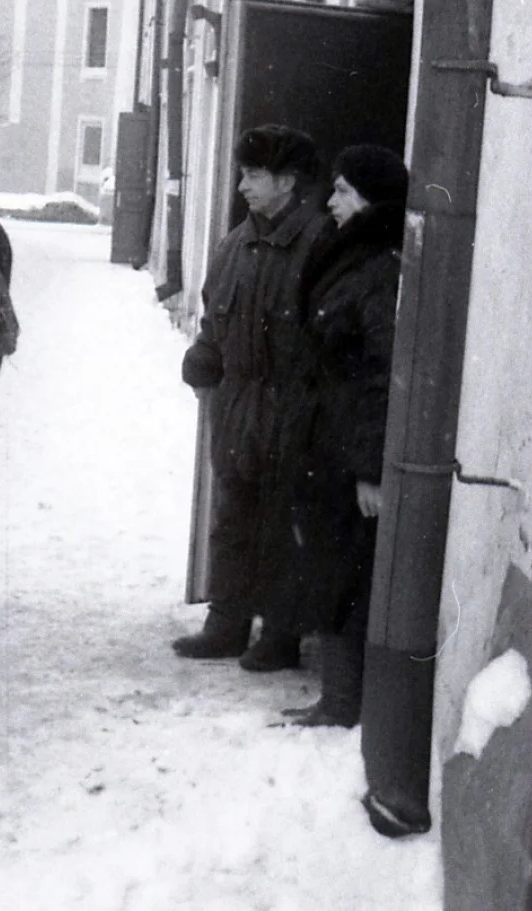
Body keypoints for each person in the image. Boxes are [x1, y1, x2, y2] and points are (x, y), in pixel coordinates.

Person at [174, 125, 329, 669]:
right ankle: (226, 624)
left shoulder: (322, 244)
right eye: (243, 174)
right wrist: (203, 359)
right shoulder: (234, 245)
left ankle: (282, 635)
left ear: (287, 182)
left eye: (254, 175)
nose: (242, 186)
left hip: (296, 406)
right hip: (240, 402)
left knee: (287, 521)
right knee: (233, 516)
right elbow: (214, 317)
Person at [274, 144, 409, 728]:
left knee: (346, 575)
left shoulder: (379, 269)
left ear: (371, 200)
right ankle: (336, 698)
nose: (330, 201)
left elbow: (384, 376)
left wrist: (370, 469)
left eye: (344, 191)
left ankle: (343, 702)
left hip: (348, 452)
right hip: (326, 444)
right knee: (329, 567)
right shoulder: (347, 257)